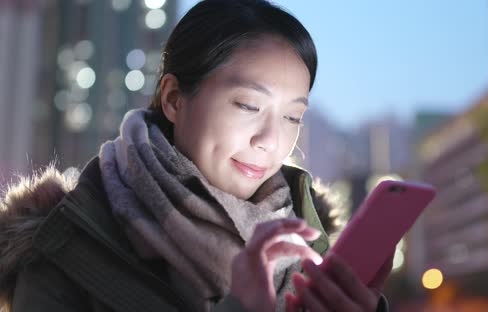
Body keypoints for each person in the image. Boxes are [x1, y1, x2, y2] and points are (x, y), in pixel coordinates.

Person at [0, 0, 393, 311]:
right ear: (174, 99)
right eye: (248, 105)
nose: (270, 140)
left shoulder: (312, 242)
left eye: (293, 116)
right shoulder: (65, 242)